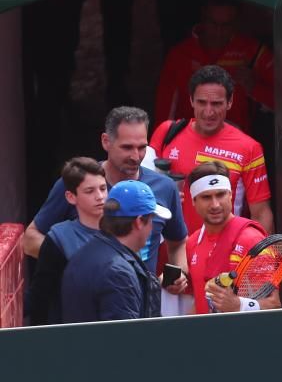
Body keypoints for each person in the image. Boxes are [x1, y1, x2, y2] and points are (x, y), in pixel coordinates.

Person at [22, 107, 189, 296]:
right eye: (127, 147)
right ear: (106, 141)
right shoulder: (77, 182)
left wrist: (179, 272)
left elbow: (178, 242)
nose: (136, 156)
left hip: (142, 311)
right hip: (85, 309)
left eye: (142, 147)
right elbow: (30, 239)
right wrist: (80, 264)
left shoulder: (165, 187)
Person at [149, 65, 274, 235]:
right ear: (191, 100)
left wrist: (264, 259)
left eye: (216, 104)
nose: (209, 112)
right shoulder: (166, 132)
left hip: (221, 253)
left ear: (230, 102)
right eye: (202, 102)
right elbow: (143, 183)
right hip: (169, 248)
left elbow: (261, 213)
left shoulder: (249, 148)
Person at [154, 0, 274, 134]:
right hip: (189, 141)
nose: (218, 32)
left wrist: (254, 87)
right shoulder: (180, 55)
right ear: (203, 17)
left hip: (235, 144)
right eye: (213, 24)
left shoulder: (252, 52)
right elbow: (164, 114)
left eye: (226, 25)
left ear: (236, 23)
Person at [62, 181, 166, 323]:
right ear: (139, 221)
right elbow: (124, 341)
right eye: (151, 220)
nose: (151, 227)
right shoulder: (118, 273)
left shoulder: (86, 253)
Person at [186, 162, 280, 315]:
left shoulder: (251, 239)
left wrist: (239, 305)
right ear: (193, 201)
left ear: (230, 195)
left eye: (221, 194)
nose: (215, 204)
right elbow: (200, 302)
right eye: (206, 197)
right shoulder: (193, 243)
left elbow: (274, 304)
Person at [28, 158, 107, 325]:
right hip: (69, 334)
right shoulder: (59, 239)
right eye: (89, 191)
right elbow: (40, 298)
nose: (99, 197)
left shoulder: (122, 232)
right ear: (71, 197)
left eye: (103, 188)